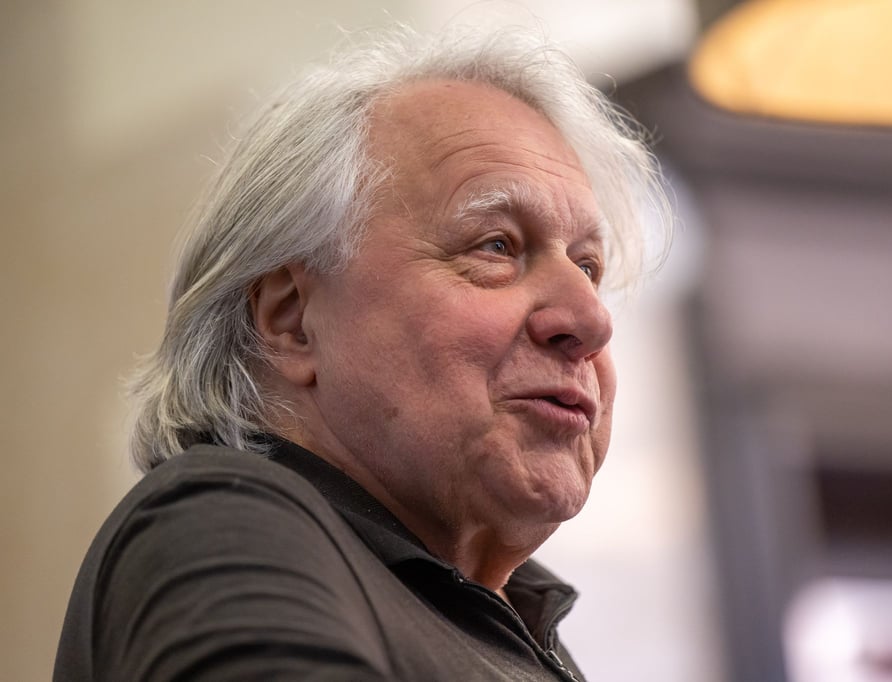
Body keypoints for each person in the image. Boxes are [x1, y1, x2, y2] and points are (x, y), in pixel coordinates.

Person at [54, 25, 670, 681]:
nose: (591, 320)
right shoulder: (221, 525)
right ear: (292, 320)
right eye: (496, 246)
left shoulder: (490, 606)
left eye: (588, 268)